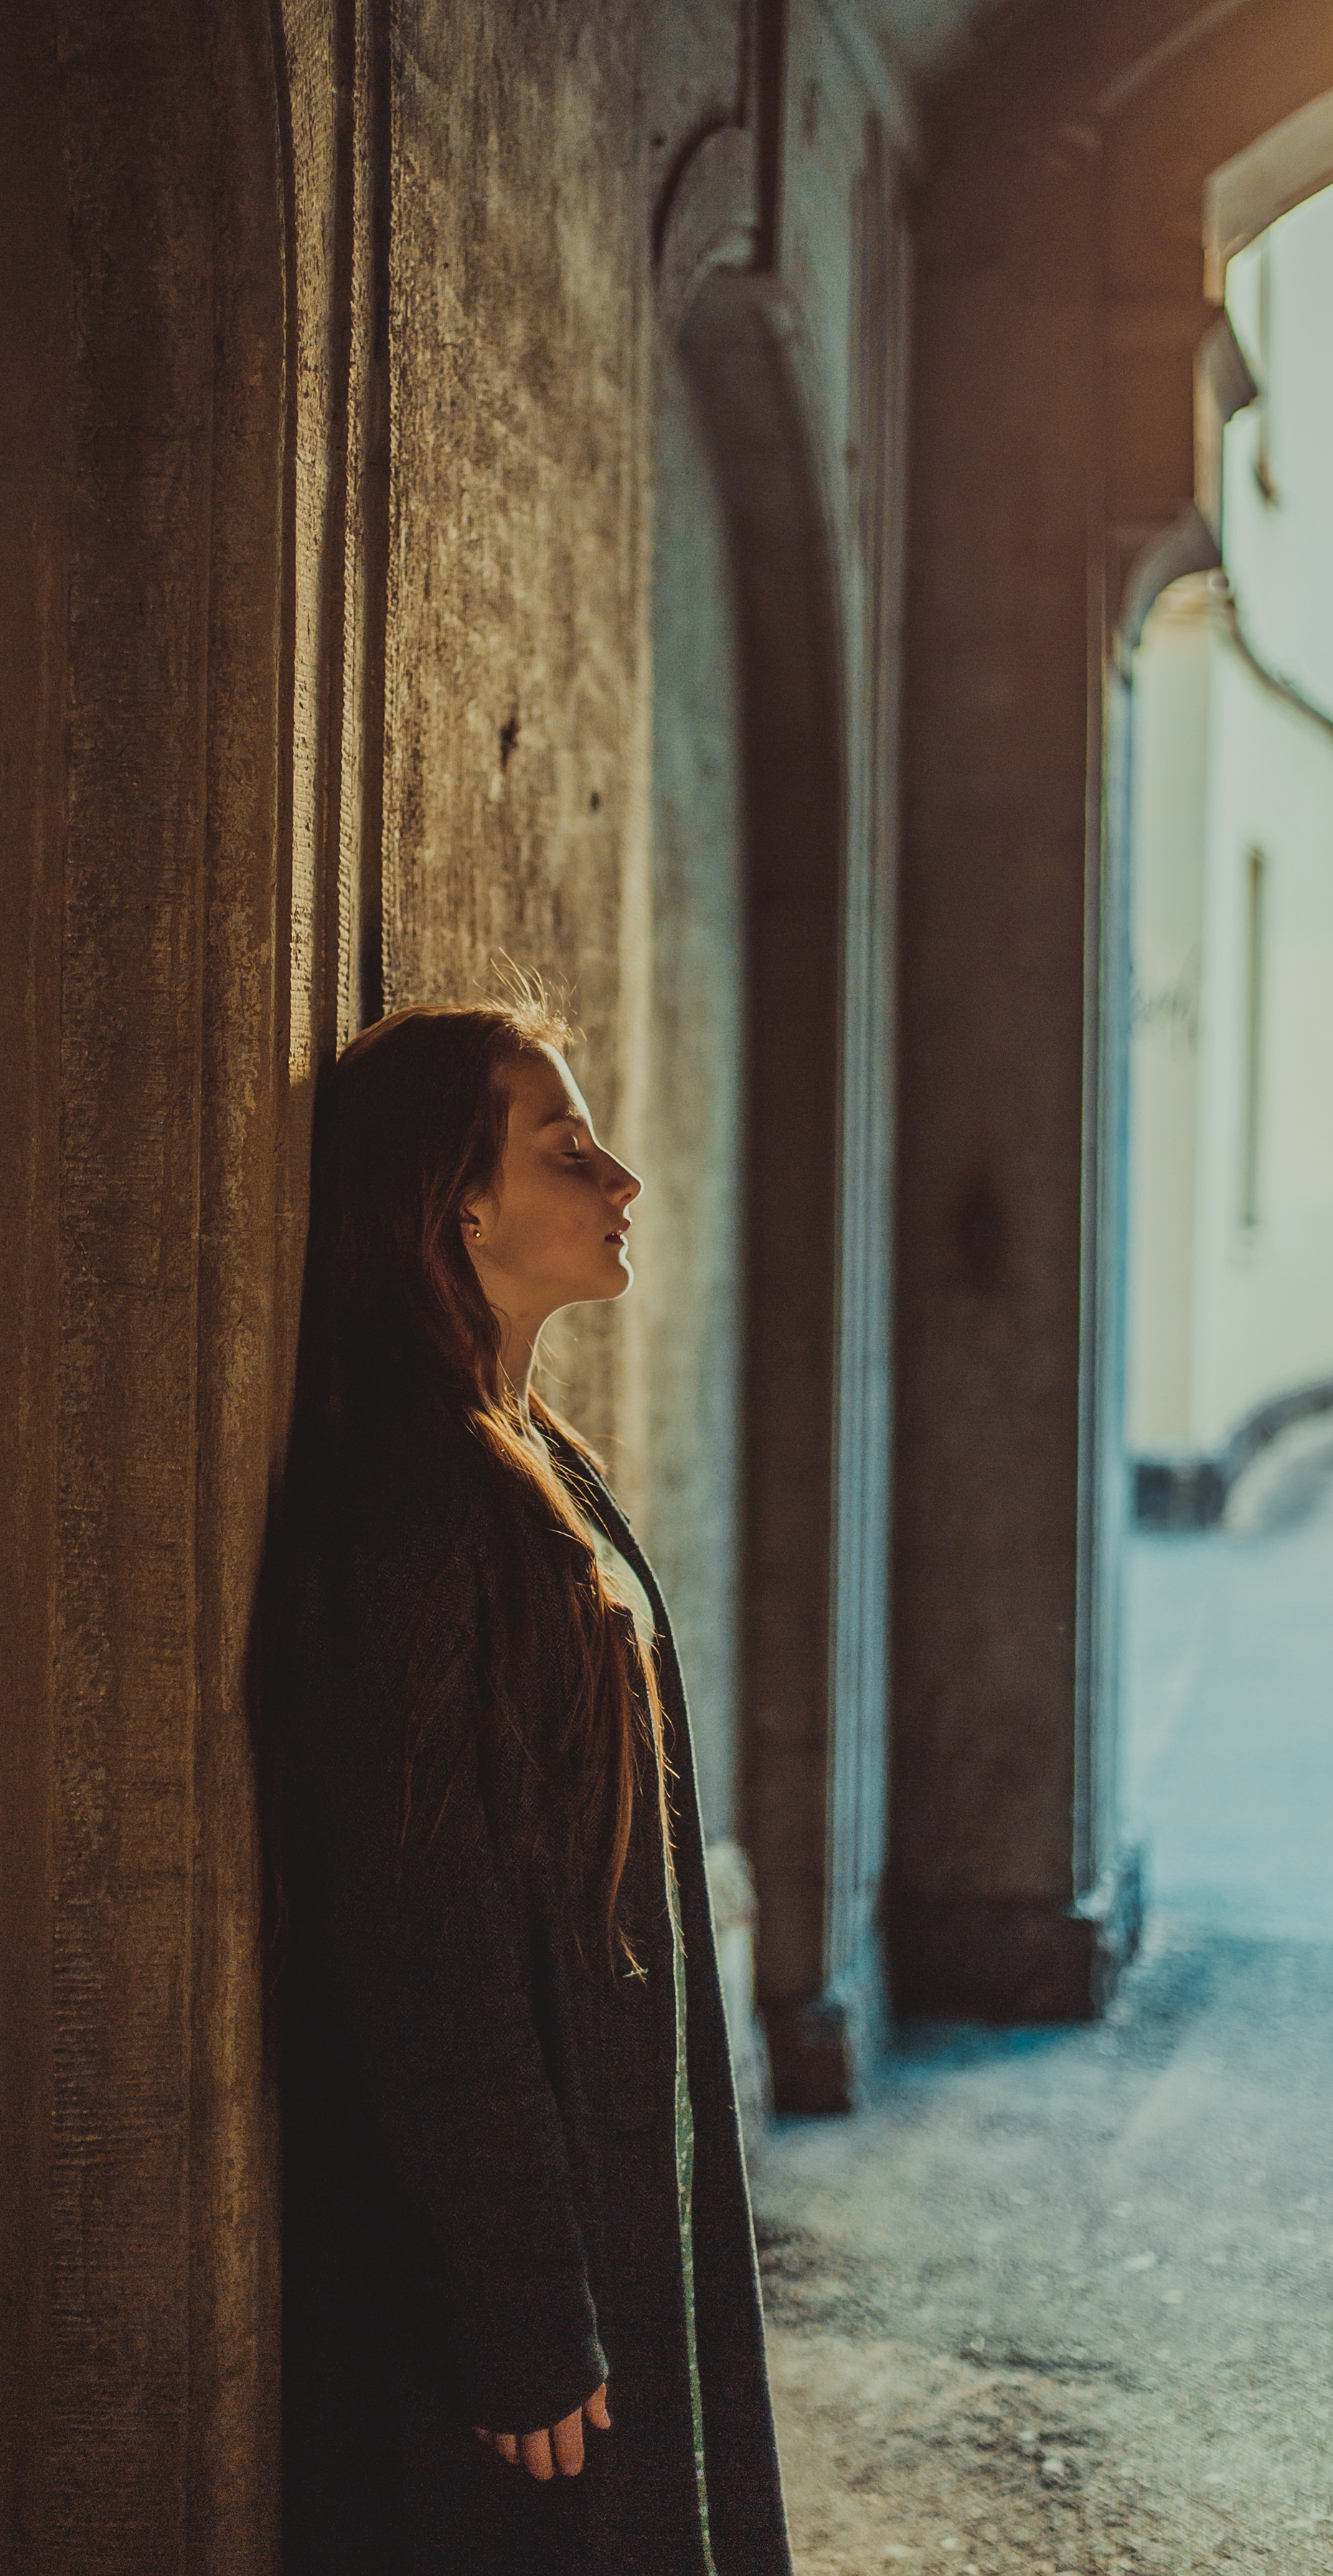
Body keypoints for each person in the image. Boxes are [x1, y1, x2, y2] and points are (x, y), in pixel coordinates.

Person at [263, 990, 793, 2575]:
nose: (620, 1178)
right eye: (569, 1147)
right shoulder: (409, 1498)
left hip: (603, 2176)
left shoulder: (527, 1457)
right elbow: (413, 1934)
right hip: (512, 2274)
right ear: (459, 1203)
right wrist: (516, 2307)